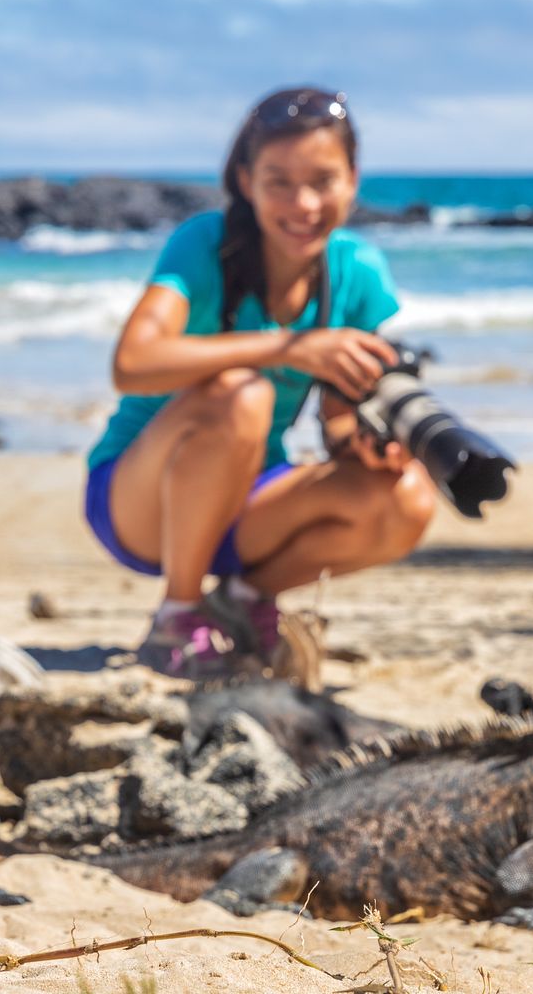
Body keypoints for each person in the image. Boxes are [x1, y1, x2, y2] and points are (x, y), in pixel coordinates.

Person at [83, 87, 438, 679]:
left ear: (352, 180)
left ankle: (243, 600)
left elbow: (338, 423)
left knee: (407, 497)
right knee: (244, 395)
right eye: (279, 181)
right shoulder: (205, 244)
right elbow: (133, 361)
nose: (302, 203)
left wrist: (367, 447)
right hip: (140, 500)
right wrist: (292, 348)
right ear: (246, 181)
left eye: (322, 181)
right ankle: (177, 612)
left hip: (251, 505)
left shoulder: (357, 273)